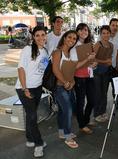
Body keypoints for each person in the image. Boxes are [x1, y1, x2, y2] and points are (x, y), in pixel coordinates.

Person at [15, 26, 48, 158]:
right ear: (33, 37)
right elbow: (21, 69)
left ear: (46, 36)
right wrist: (25, 89)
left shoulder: (45, 52)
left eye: (43, 35)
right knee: (33, 116)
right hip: (25, 88)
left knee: (30, 114)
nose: (41, 37)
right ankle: (38, 144)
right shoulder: (27, 49)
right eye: (37, 35)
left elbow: (41, 71)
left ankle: (29, 138)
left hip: (38, 87)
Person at [52, 30, 80, 149]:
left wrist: (71, 82)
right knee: (68, 110)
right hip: (59, 86)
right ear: (64, 38)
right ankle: (68, 136)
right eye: (70, 37)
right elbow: (55, 70)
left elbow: (71, 70)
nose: (72, 40)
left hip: (68, 86)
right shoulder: (57, 52)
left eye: (74, 39)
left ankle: (62, 132)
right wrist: (65, 82)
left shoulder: (69, 54)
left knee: (63, 110)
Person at [71, 23, 96, 134]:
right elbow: (75, 65)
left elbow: (90, 61)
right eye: (80, 30)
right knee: (80, 102)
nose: (83, 32)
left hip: (89, 75)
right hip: (79, 77)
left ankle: (85, 120)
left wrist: (94, 64)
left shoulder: (89, 44)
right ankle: (82, 125)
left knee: (92, 100)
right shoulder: (74, 46)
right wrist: (88, 60)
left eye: (85, 30)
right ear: (77, 32)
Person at [93, 25, 113, 122]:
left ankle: (103, 111)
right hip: (97, 72)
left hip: (106, 72)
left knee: (104, 93)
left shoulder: (111, 45)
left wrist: (109, 63)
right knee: (98, 93)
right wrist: (105, 62)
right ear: (100, 34)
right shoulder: (97, 44)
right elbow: (92, 58)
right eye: (103, 33)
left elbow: (109, 59)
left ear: (110, 34)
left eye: (107, 33)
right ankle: (97, 114)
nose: (106, 35)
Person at [108, 18, 118, 111]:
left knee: (117, 87)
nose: (114, 27)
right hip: (105, 66)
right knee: (103, 88)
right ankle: (100, 105)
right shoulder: (105, 34)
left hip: (116, 65)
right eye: (113, 25)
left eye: (117, 26)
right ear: (110, 25)